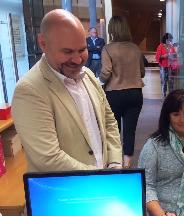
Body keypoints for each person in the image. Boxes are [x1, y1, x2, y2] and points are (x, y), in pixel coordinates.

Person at [12, 9, 122, 172]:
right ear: (43, 43)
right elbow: (48, 158)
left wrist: (114, 164)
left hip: (101, 184)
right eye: (67, 51)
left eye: (82, 50)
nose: (78, 60)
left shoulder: (89, 75)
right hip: (64, 192)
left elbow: (109, 122)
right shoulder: (29, 90)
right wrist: (100, 178)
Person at [99, 16, 145, 168]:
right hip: (135, 93)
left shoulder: (107, 49)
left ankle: (115, 162)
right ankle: (127, 163)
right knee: (130, 130)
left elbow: (106, 72)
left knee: (114, 129)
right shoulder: (135, 48)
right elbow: (142, 72)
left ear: (111, 30)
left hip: (114, 94)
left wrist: (99, 81)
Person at [155, 33, 176, 98]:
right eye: (170, 39)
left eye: (171, 39)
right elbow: (157, 56)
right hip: (163, 66)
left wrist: (174, 55)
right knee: (164, 81)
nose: (171, 40)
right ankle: (164, 95)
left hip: (170, 66)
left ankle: (171, 96)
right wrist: (165, 56)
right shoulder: (160, 46)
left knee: (171, 82)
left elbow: (174, 55)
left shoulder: (171, 46)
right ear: (166, 39)